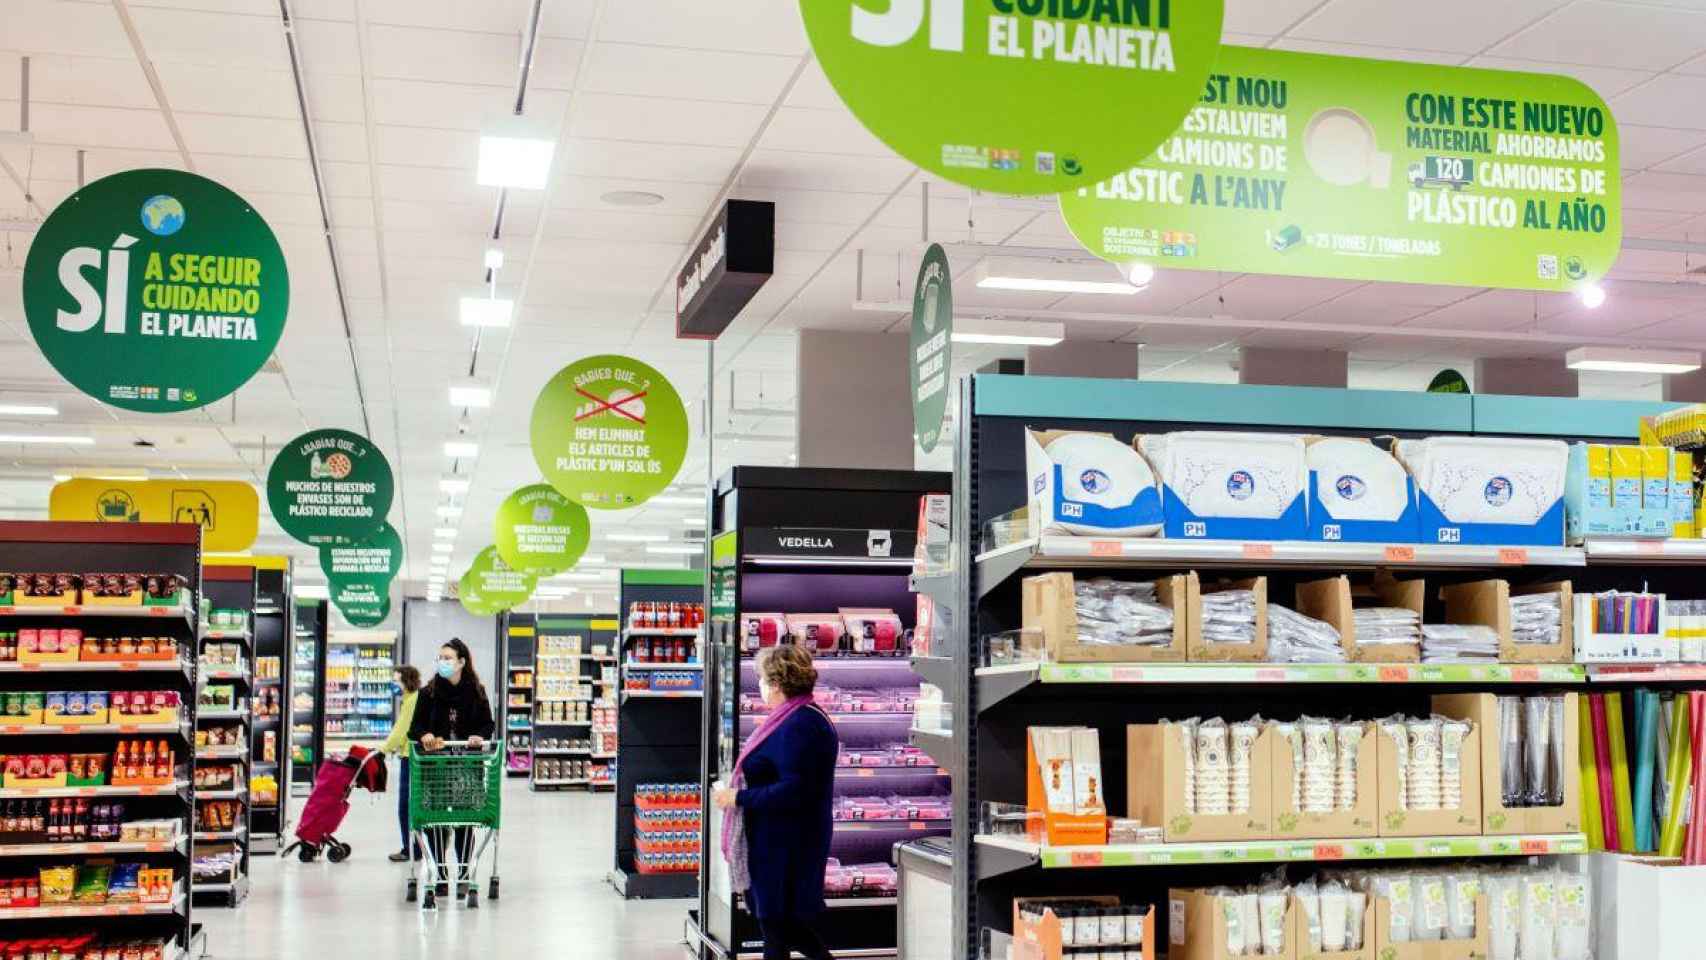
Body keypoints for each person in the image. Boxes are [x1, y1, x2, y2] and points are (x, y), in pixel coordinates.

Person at [713, 645, 839, 960]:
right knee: (781, 930)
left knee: (778, 929)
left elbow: (794, 790)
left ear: (778, 684)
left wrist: (738, 796)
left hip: (786, 848)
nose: (760, 685)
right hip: (776, 843)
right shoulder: (793, 717)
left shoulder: (802, 725)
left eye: (762, 679)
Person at [407, 639, 495, 887]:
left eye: (447, 658)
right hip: (436, 768)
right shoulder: (428, 693)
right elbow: (415, 727)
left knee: (464, 820)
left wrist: (480, 736)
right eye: (440, 658)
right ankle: (441, 872)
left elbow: (488, 724)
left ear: (461, 662)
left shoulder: (477, 692)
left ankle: (466, 871)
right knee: (436, 820)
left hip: (467, 767)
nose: (442, 662)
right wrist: (423, 734)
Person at [381, 665, 421, 863]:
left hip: (410, 758)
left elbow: (401, 730)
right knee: (414, 804)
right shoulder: (410, 699)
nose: (393, 684)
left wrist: (383, 749)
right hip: (413, 756)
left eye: (396, 681)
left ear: (407, 681)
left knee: (405, 806)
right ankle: (417, 847)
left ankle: (410, 849)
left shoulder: (411, 701)